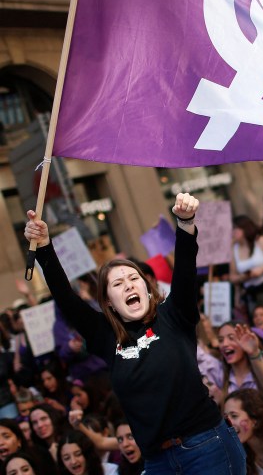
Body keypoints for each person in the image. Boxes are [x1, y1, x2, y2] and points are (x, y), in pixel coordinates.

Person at [24, 193, 246, 475]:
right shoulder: (105, 336)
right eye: (118, 284)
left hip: (207, 447)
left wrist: (186, 223)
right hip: (156, 461)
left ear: (146, 287)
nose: (128, 286)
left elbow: (186, 271)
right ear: (108, 302)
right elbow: (67, 300)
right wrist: (43, 246)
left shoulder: (174, 315)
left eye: (133, 279)